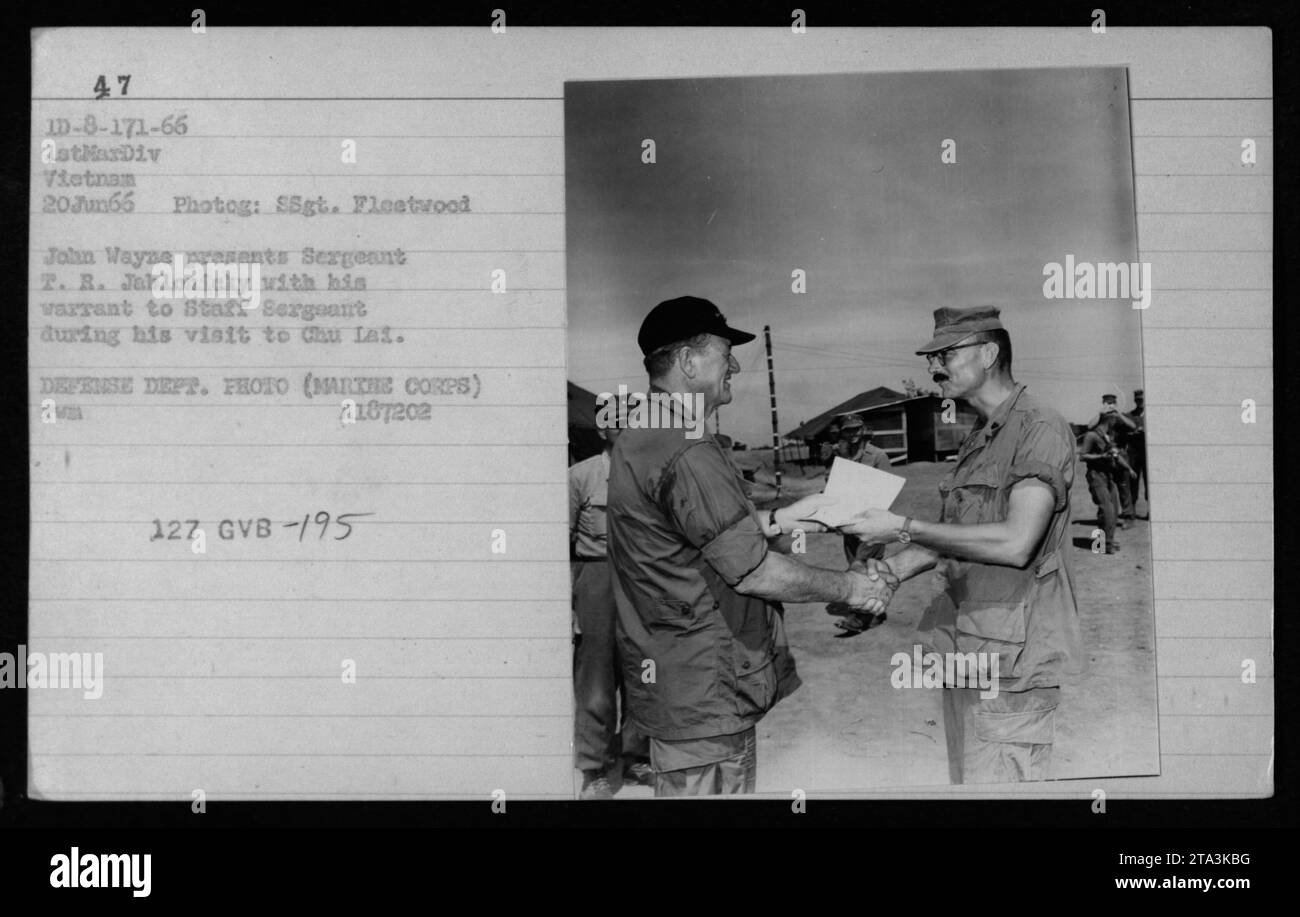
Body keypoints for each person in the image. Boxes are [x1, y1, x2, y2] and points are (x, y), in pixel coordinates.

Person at [605, 295, 887, 796]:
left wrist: (780, 516)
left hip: (676, 680)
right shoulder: (687, 447)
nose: (734, 364)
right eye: (723, 352)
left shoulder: (646, 433)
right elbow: (753, 572)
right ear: (690, 363)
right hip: (706, 691)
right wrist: (852, 587)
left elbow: (686, 532)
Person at [841, 305, 1084, 784]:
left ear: (990, 353)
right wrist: (889, 574)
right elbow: (961, 535)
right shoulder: (982, 434)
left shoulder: (1038, 428)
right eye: (932, 357)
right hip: (970, 645)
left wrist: (903, 526)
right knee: (969, 785)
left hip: (1014, 660)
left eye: (947, 354)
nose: (934, 367)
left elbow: (1016, 542)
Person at [569, 397, 652, 798]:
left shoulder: (651, 476)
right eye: (620, 424)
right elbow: (559, 548)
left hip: (641, 582)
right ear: (603, 430)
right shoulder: (579, 477)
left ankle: (637, 758)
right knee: (596, 678)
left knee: (643, 673)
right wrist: (568, 607)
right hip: (596, 579)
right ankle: (595, 769)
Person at [830, 415, 895, 637]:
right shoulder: (842, 455)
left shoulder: (878, 456)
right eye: (848, 430)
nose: (853, 433)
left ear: (864, 429)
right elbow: (835, 485)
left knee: (863, 565)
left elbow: (886, 491)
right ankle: (873, 613)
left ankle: (859, 617)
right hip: (850, 522)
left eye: (857, 429)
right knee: (858, 566)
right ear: (843, 433)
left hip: (873, 523)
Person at [1079, 410, 1133, 555]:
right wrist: (1101, 456)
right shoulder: (1091, 435)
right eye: (1114, 422)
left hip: (1108, 476)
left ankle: (1104, 541)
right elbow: (1082, 456)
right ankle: (1106, 544)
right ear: (1109, 421)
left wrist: (1129, 469)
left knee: (1113, 510)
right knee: (1107, 509)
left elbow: (1115, 455)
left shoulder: (1108, 437)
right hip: (1096, 476)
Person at [1126, 389, 1147, 518]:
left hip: (1149, 454)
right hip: (1134, 453)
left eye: (1142, 399)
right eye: (1137, 399)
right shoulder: (1130, 415)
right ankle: (1131, 510)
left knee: (1150, 483)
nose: (1140, 402)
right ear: (1134, 400)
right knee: (1132, 481)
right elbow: (1123, 432)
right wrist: (1132, 433)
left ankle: (1151, 511)